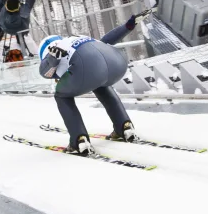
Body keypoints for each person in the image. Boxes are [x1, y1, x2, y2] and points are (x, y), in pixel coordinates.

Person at [39, 13, 141, 155]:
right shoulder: (76, 38)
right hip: (117, 63)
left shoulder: (53, 49)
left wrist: (52, 58)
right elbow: (107, 41)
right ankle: (124, 126)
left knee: (61, 95)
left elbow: (44, 72)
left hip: (86, 68)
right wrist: (128, 26)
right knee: (102, 86)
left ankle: (79, 139)